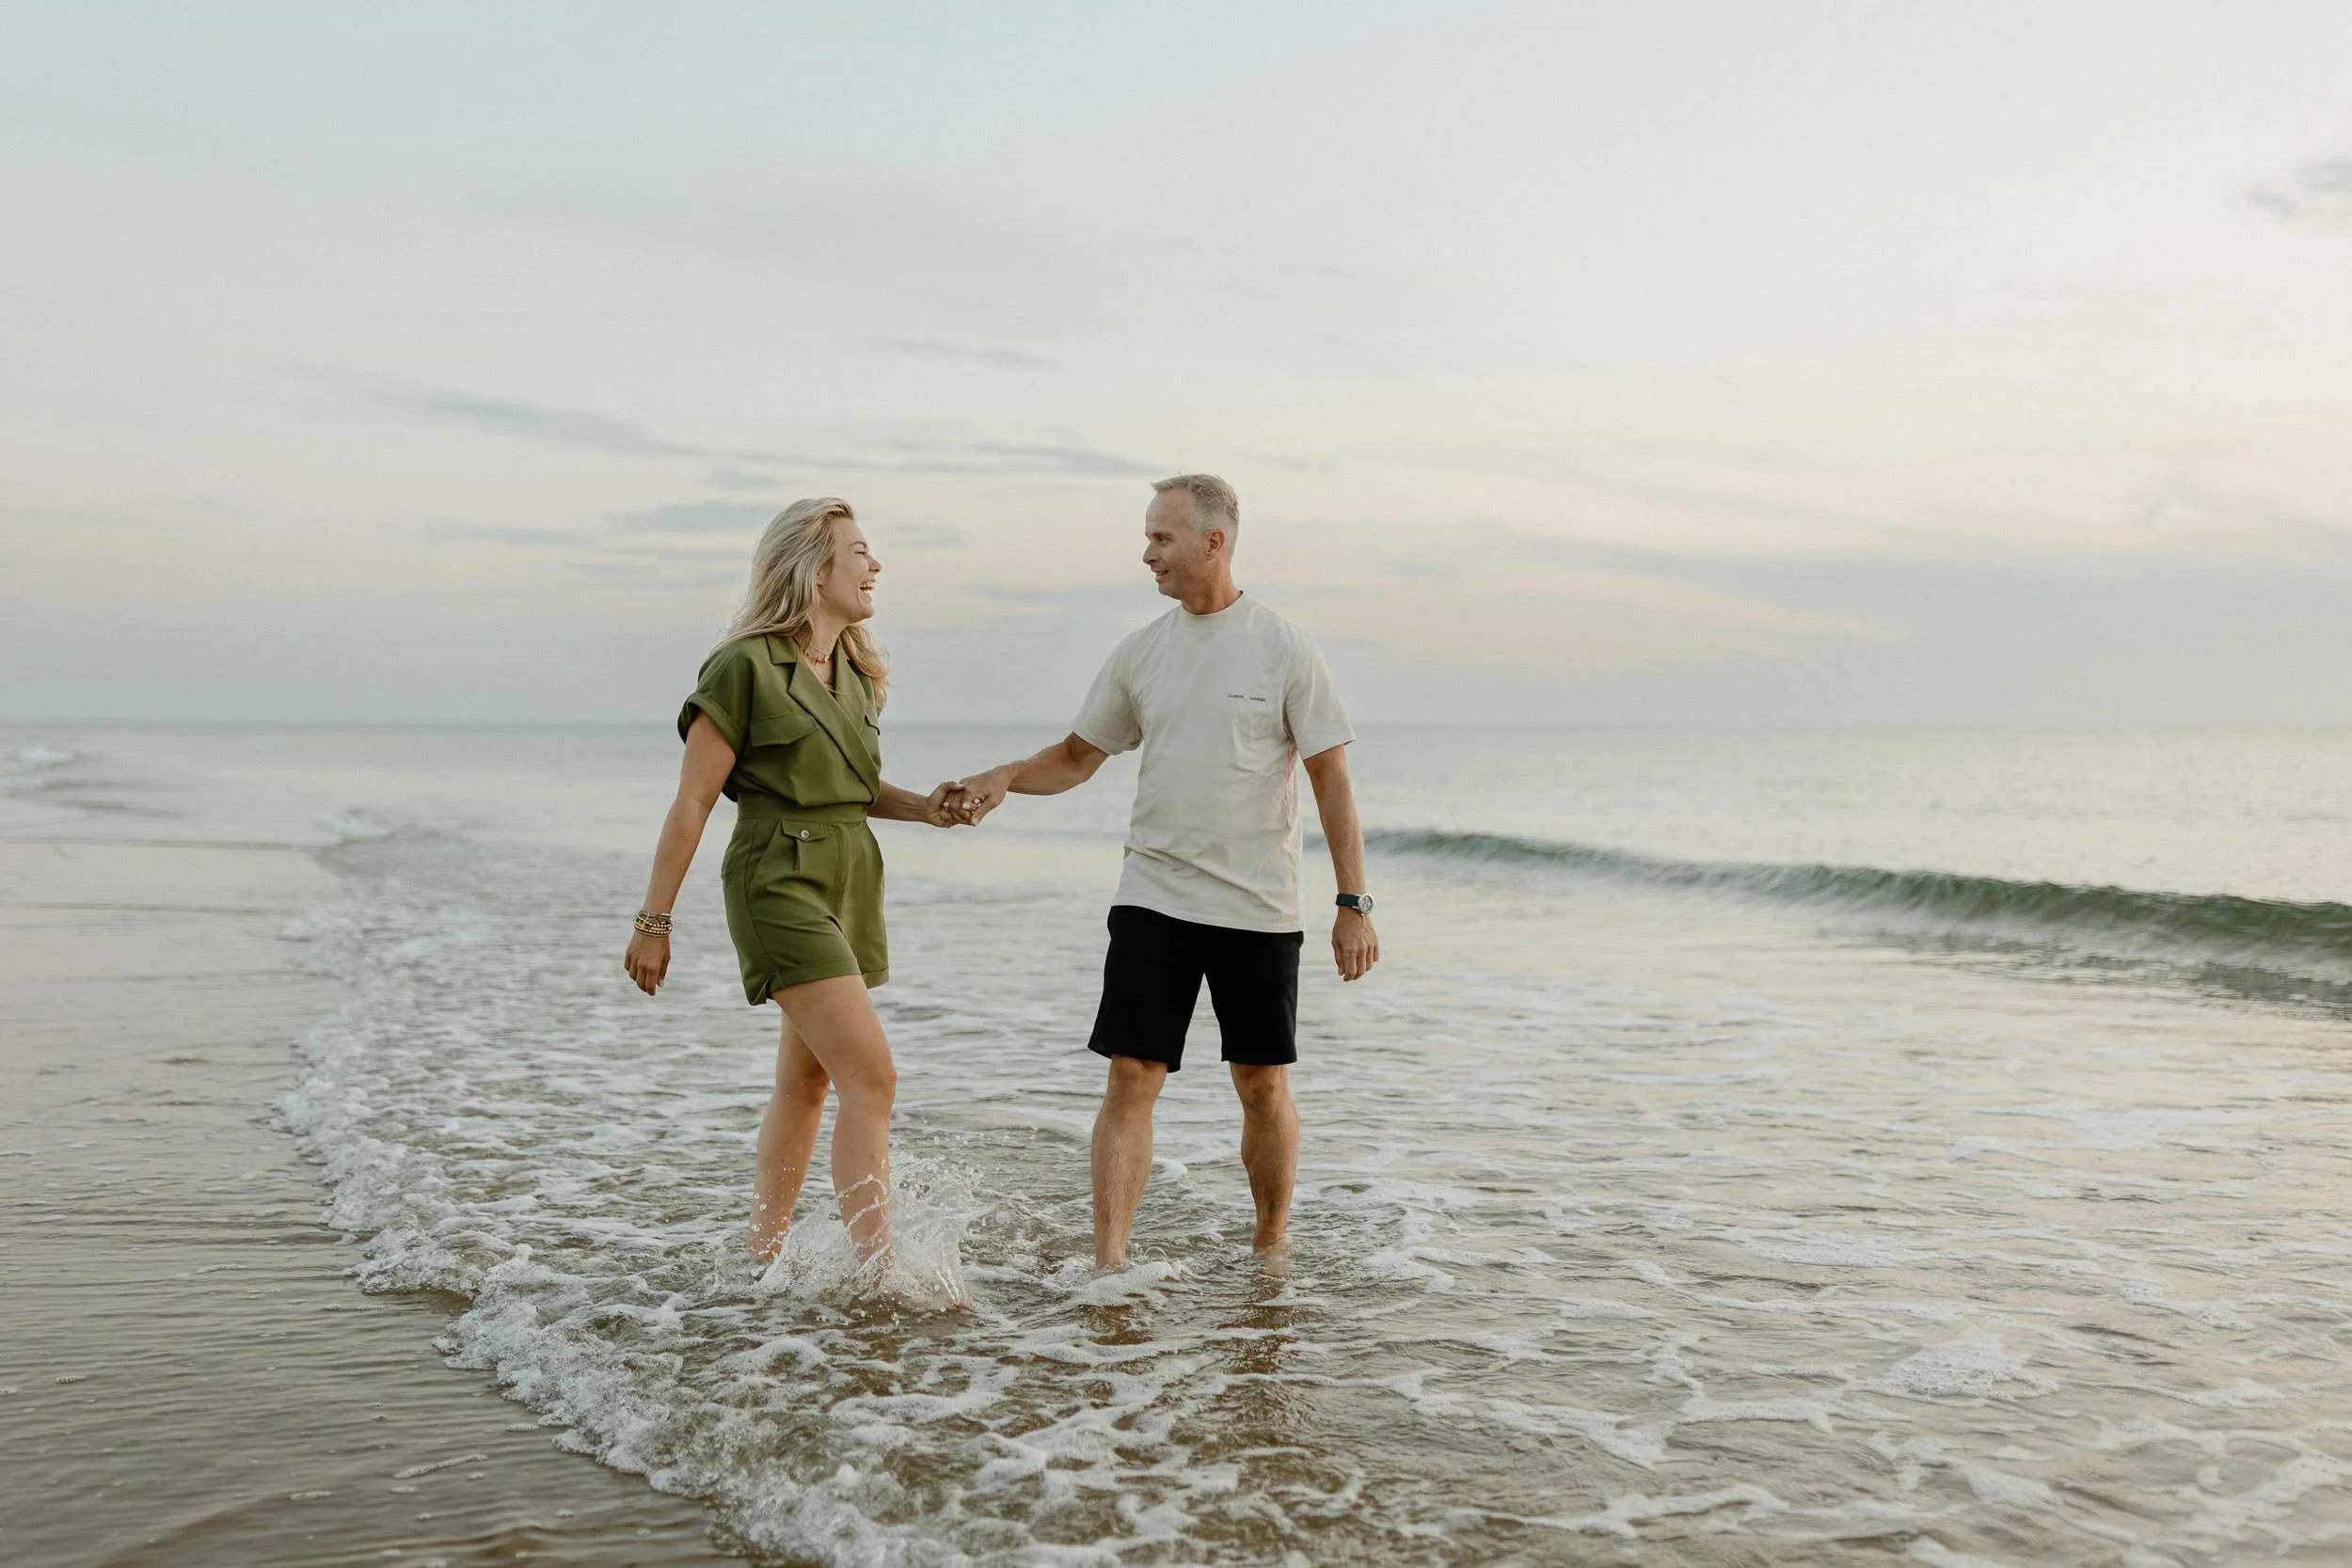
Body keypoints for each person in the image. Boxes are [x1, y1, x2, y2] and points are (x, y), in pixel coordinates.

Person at [948, 473, 1378, 1267]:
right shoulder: (1142, 651)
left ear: (1215, 541)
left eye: (1162, 537)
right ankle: (1110, 1262)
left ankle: (1271, 1247)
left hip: (1258, 905)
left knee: (1260, 1083)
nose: (1148, 553)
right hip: (1154, 897)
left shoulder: (1283, 646)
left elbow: (1331, 778)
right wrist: (1004, 776)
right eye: (1149, 536)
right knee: (1132, 1075)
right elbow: (1077, 757)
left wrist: (1353, 900)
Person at [623, 498, 961, 1269]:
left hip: (849, 879)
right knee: (871, 1074)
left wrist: (928, 808)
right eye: (861, 552)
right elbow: (693, 801)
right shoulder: (742, 664)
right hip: (777, 879)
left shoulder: (858, 670)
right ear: (814, 567)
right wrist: (654, 920)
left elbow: (850, 787)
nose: (876, 567)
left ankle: (761, 1256)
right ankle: (881, 1271)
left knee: (806, 1083)